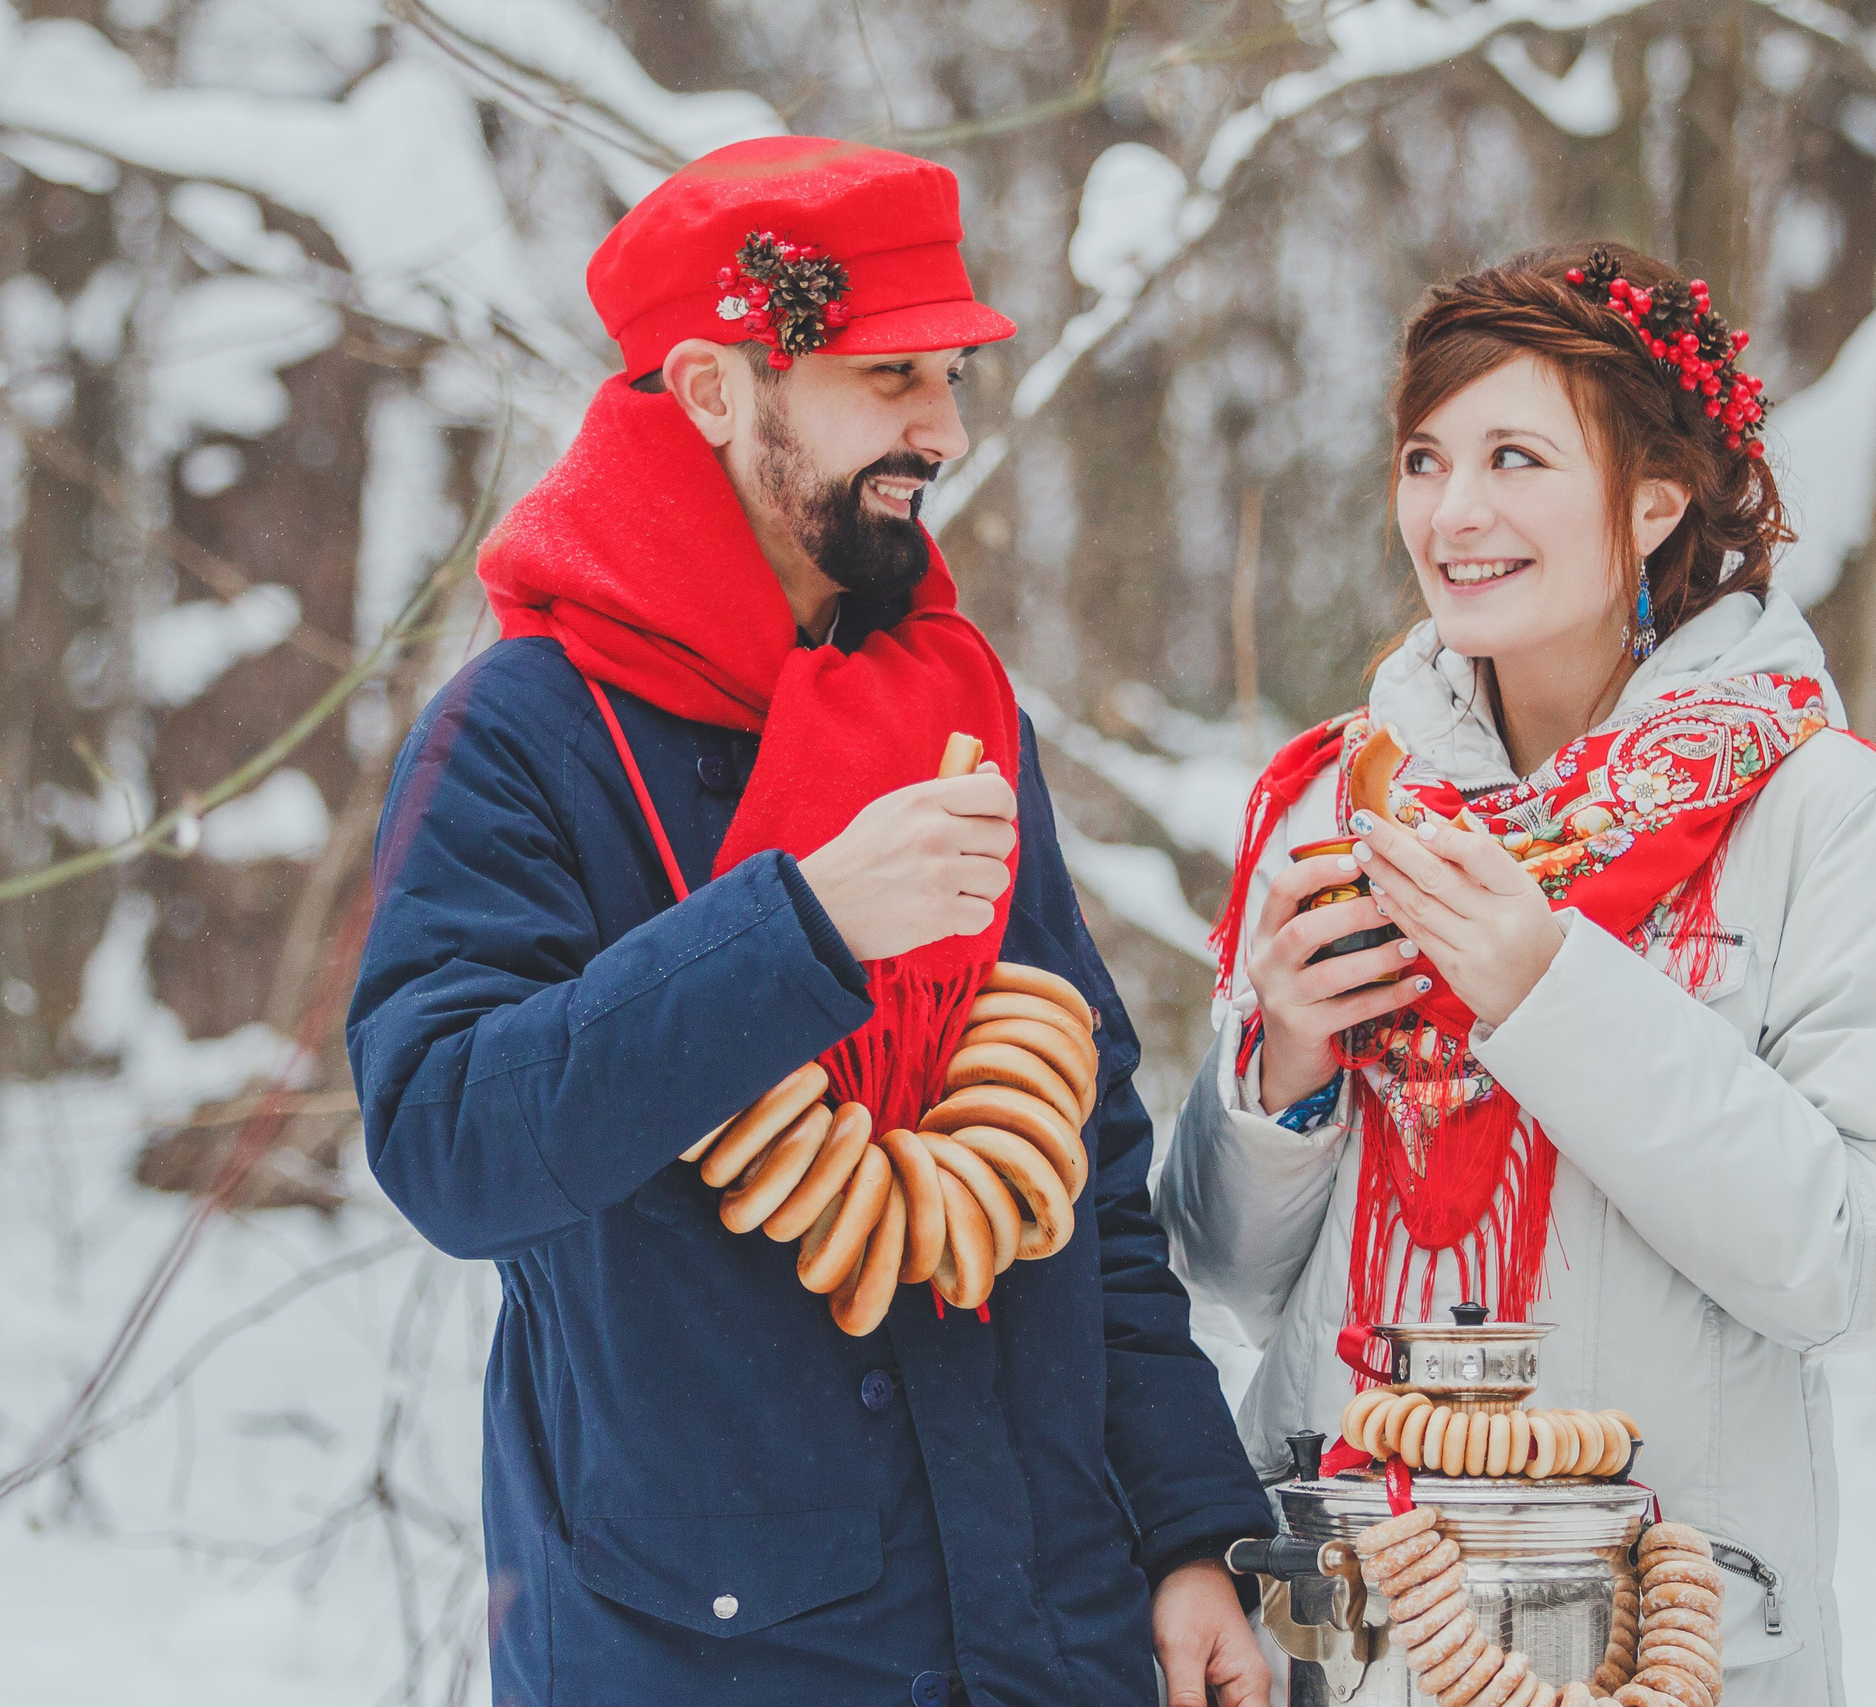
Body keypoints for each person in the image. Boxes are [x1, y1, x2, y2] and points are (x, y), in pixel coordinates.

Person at [348, 136, 1271, 1707]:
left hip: (1048, 1631)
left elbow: (1084, 1166)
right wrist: (797, 932)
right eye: (891, 378)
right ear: (715, 389)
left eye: (956, 376)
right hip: (700, 1651)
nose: (947, 429)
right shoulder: (517, 736)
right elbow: (448, 1140)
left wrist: (1188, 1532)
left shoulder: (957, 704)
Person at [1155, 241, 1876, 1706]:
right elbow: (1224, 1275)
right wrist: (1277, 1068)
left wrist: (1552, 996)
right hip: (1343, 1632)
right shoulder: (1342, 803)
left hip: (1653, 1638)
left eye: (1517, 457)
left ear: (1655, 496)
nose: (1454, 514)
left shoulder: (1822, 815)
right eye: (1425, 458)